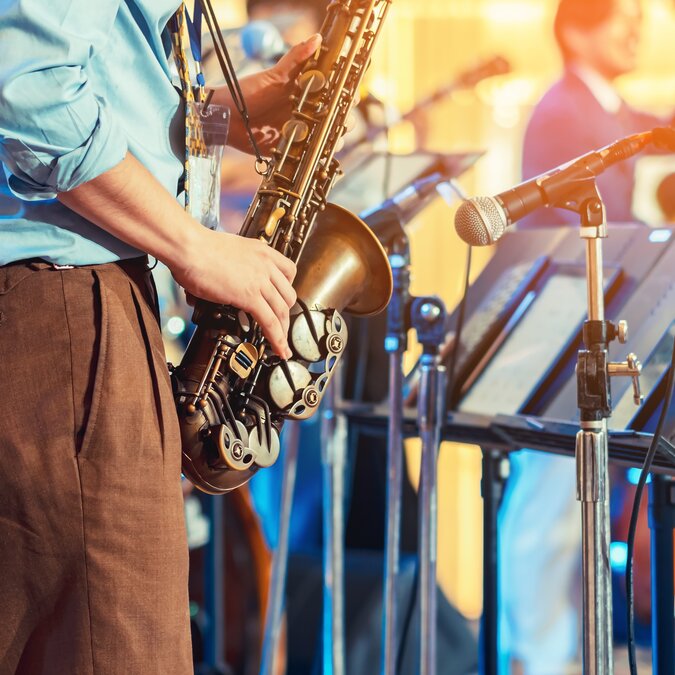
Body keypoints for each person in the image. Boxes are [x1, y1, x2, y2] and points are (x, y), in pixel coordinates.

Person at [0, 1, 320, 672]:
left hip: (68, 303)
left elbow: (107, 96)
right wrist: (193, 247)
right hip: (60, 311)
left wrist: (225, 113)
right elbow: (28, 90)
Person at [501, 1, 664, 673]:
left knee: (573, 506)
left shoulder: (608, 109)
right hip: (569, 335)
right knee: (549, 507)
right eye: (619, 14)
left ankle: (561, 652)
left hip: (597, 330)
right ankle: (540, 656)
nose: (638, 28)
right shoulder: (567, 111)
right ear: (573, 27)